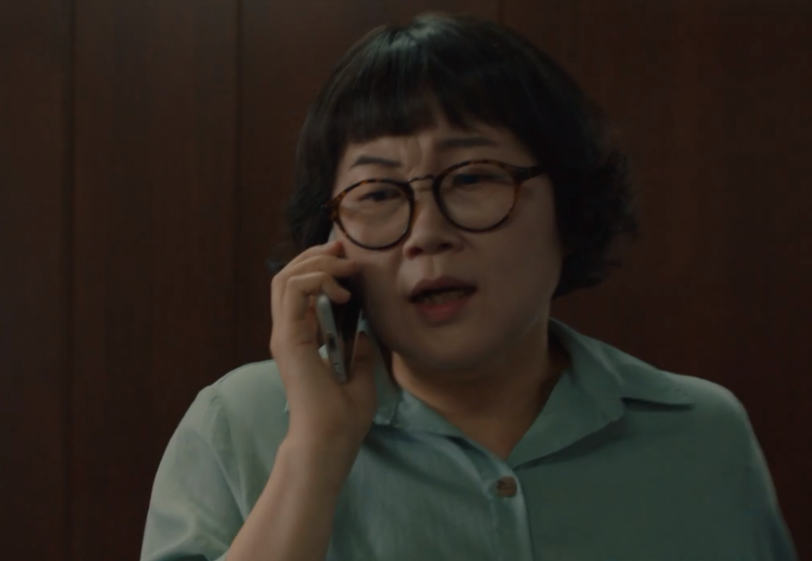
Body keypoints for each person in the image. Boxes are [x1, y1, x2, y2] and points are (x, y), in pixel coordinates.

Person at [140, 13, 797, 561]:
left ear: (568, 208)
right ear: (331, 243)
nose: (426, 234)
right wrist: (315, 451)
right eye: (378, 193)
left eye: (473, 177)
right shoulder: (239, 424)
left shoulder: (699, 432)